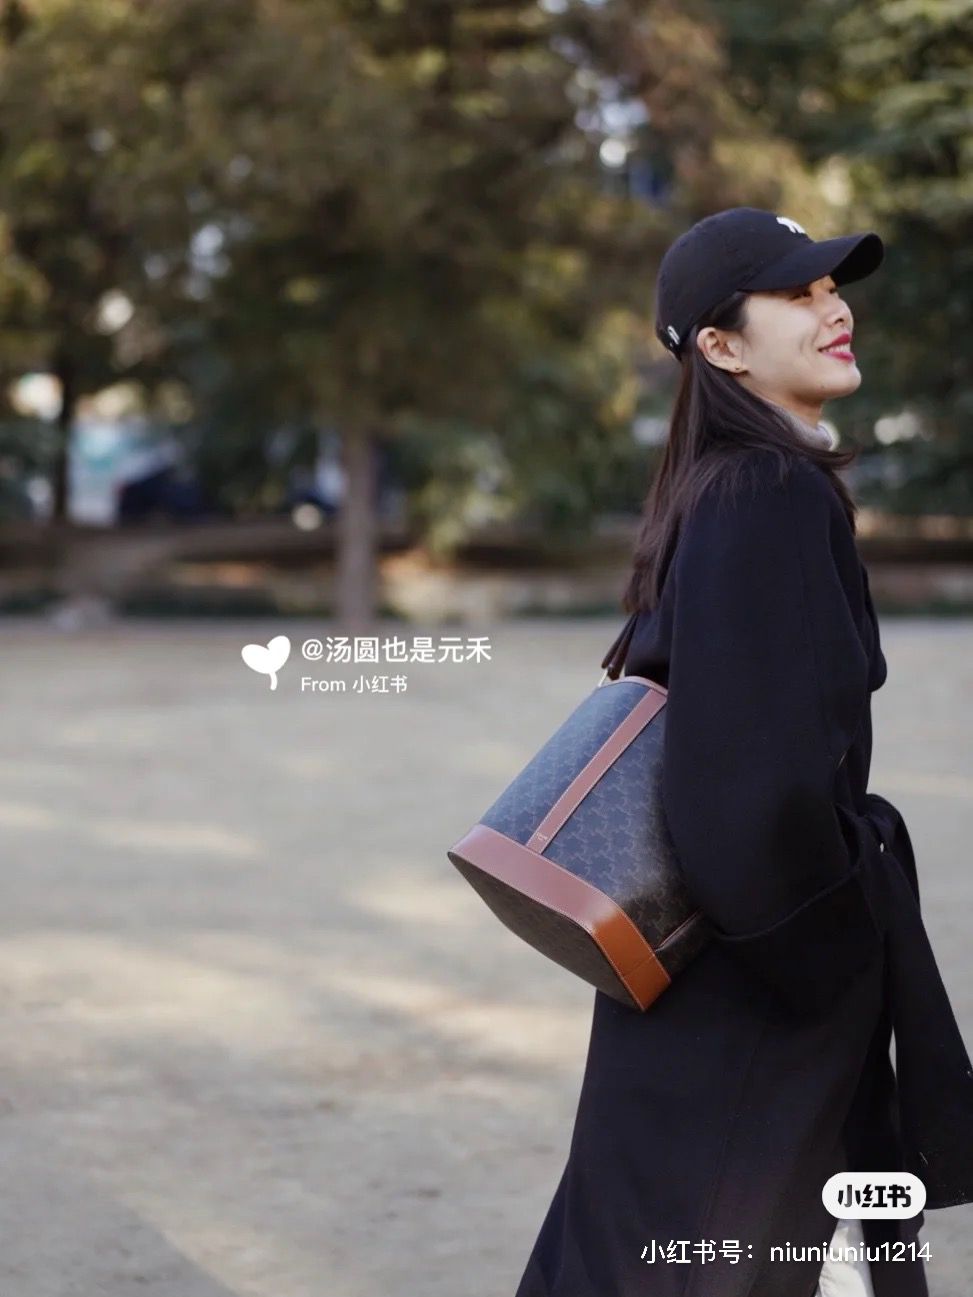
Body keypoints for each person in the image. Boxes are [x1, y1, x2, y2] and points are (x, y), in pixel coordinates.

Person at [513, 208, 973, 1297]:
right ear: (719, 346)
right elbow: (744, 794)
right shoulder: (767, 495)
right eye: (798, 294)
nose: (834, 308)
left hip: (708, 991)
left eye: (832, 287)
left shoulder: (730, 485)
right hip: (756, 1002)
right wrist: (835, 960)